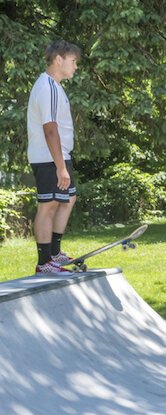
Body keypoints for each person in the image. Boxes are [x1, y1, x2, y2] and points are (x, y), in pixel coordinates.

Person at [27, 40, 81, 275]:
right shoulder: (46, 86)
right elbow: (50, 128)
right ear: (59, 60)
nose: (76, 67)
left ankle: (55, 252)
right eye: (73, 61)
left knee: (69, 199)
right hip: (48, 157)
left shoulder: (55, 86)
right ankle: (44, 262)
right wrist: (60, 167)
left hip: (58, 155)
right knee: (48, 206)